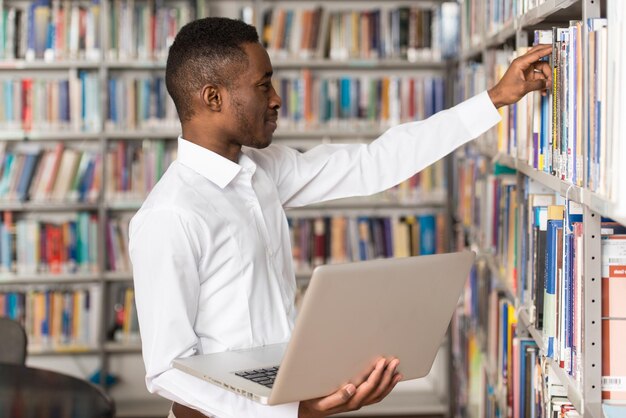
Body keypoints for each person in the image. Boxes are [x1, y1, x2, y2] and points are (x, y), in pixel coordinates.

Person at [128, 17, 552, 418]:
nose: (276, 99)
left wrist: (493, 99)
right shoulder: (170, 215)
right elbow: (167, 371)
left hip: (285, 397)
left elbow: (372, 163)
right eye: (263, 86)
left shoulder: (263, 171)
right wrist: (293, 412)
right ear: (213, 97)